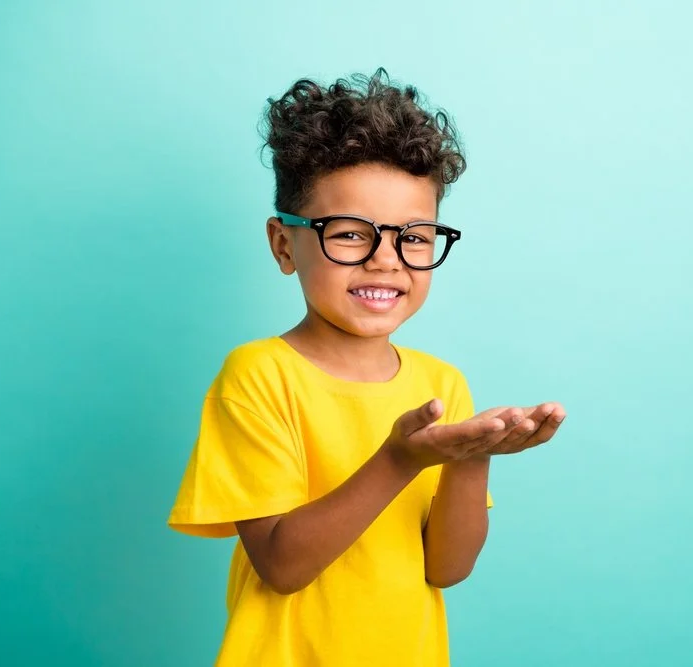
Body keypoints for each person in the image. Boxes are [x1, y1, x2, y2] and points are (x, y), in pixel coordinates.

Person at [167, 69, 567, 667]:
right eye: (350, 234)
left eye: (416, 237)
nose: (387, 262)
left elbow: (448, 568)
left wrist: (471, 456)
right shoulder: (258, 376)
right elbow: (281, 566)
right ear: (284, 245)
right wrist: (400, 459)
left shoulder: (442, 383)